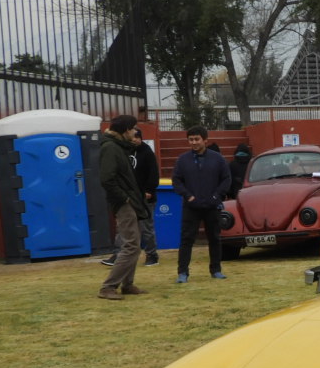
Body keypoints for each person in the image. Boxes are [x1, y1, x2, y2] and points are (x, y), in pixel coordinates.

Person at [96, 114, 148, 301]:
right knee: (131, 245)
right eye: (133, 129)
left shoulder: (118, 147)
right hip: (124, 203)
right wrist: (125, 199)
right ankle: (108, 287)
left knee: (133, 244)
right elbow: (107, 179)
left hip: (129, 202)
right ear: (126, 130)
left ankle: (127, 284)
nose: (135, 132)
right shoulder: (111, 148)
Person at [172, 125, 232, 283]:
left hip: (212, 206)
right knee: (186, 240)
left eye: (197, 139)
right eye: (190, 139)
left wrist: (216, 196)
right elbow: (176, 181)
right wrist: (188, 196)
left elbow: (226, 179)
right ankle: (182, 273)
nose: (193, 142)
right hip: (191, 207)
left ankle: (216, 270)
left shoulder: (217, 158)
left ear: (205, 140)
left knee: (214, 238)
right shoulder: (182, 160)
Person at [100, 126, 161, 268]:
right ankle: (118, 254)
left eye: (136, 137)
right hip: (128, 198)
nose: (134, 140)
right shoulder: (122, 151)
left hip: (145, 198)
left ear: (141, 138)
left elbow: (154, 176)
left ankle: (152, 254)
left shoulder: (147, 153)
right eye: (132, 137)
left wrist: (148, 191)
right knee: (123, 226)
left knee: (146, 228)